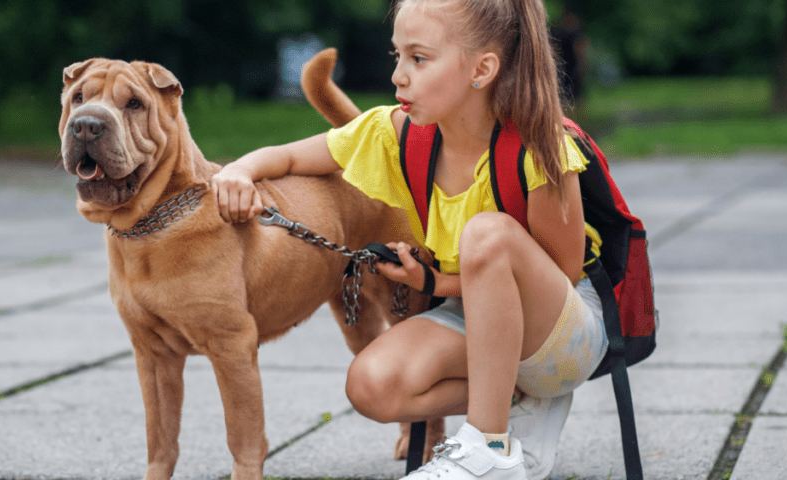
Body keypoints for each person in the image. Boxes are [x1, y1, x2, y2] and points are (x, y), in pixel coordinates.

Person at [210, 0, 608, 479]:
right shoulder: (399, 134)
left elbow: (562, 275)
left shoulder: (538, 148)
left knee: (488, 234)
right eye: (396, 56)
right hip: (483, 324)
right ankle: (520, 398)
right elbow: (292, 159)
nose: (399, 75)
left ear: (482, 69)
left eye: (419, 59)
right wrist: (238, 172)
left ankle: (490, 449)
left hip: (562, 333)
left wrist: (441, 283)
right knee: (371, 385)